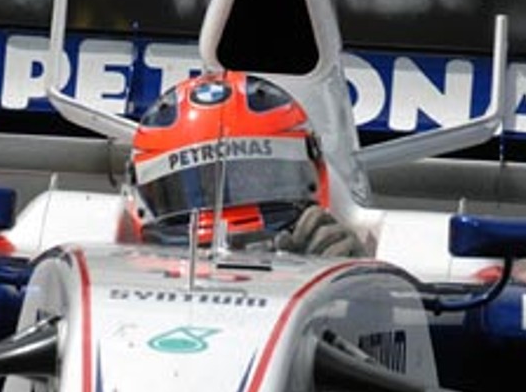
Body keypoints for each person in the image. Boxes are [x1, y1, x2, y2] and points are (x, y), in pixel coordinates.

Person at [123, 70, 366, 256]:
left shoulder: (327, 254)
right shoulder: (111, 278)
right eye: (201, 188)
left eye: (257, 178)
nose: (229, 224)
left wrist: (349, 283)